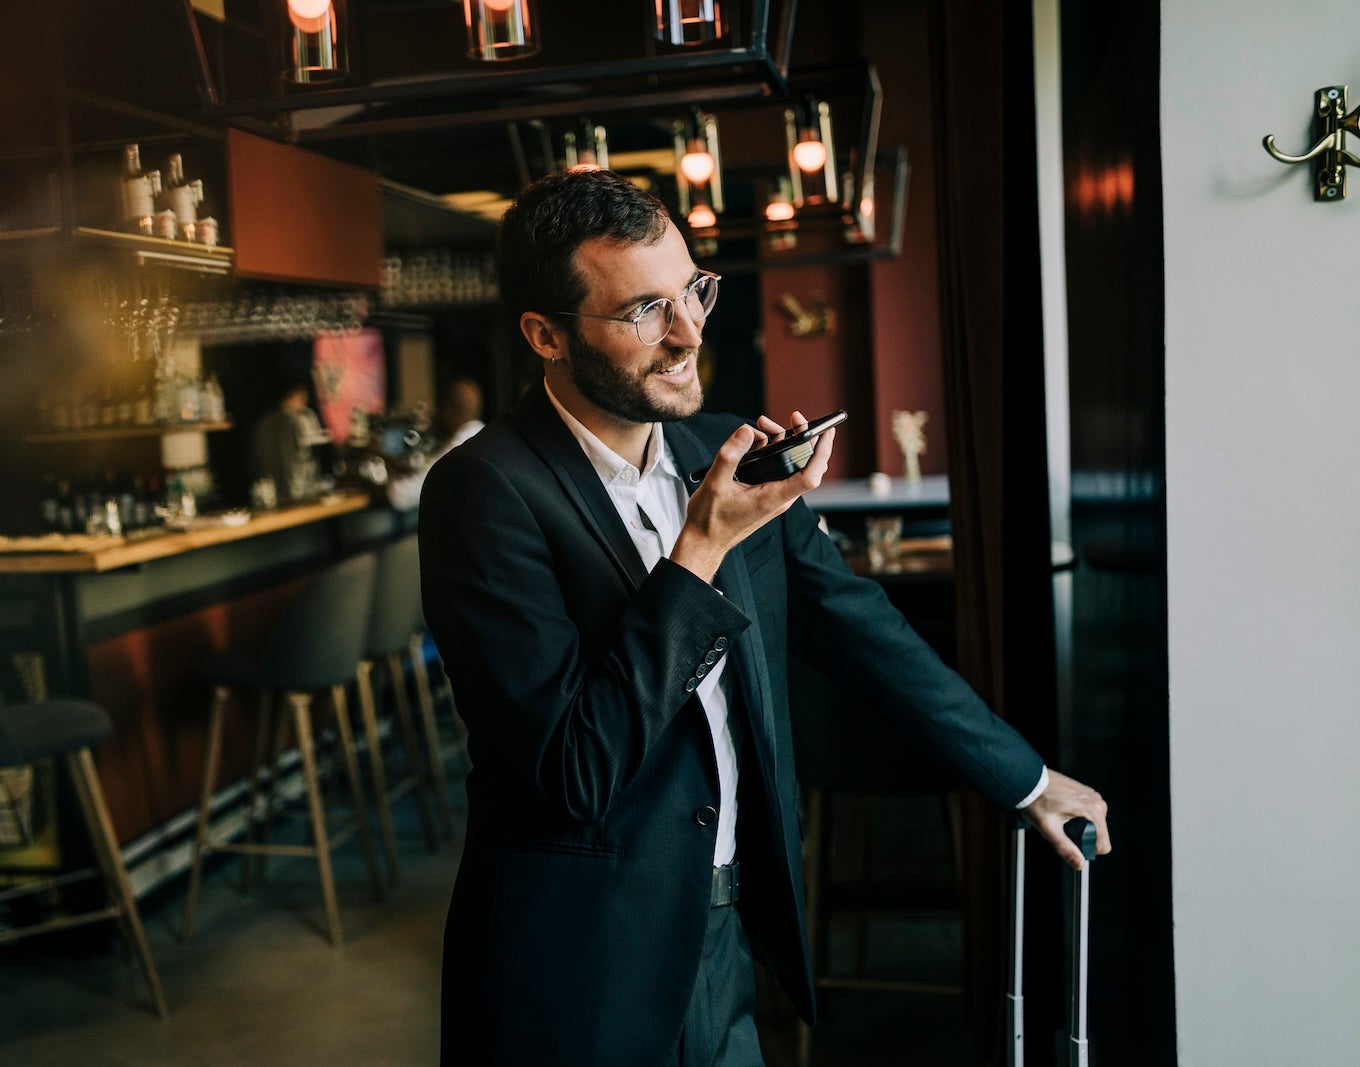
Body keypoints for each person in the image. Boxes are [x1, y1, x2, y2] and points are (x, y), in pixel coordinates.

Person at [417, 170, 1111, 1066]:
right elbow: (574, 769)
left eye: (692, 292)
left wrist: (1023, 776)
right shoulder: (481, 492)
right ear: (546, 335)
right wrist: (699, 549)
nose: (688, 333)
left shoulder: (722, 451)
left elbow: (864, 628)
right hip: (578, 962)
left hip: (726, 926)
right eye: (642, 312)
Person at [384, 377, 486, 511]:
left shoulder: (460, 447)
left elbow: (400, 495)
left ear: (447, 410)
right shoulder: (483, 436)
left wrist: (368, 486)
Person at [249, 381, 328, 503]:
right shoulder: (287, 421)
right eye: (301, 396)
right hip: (287, 489)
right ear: (290, 395)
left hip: (276, 490)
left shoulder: (266, 421)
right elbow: (286, 458)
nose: (304, 401)